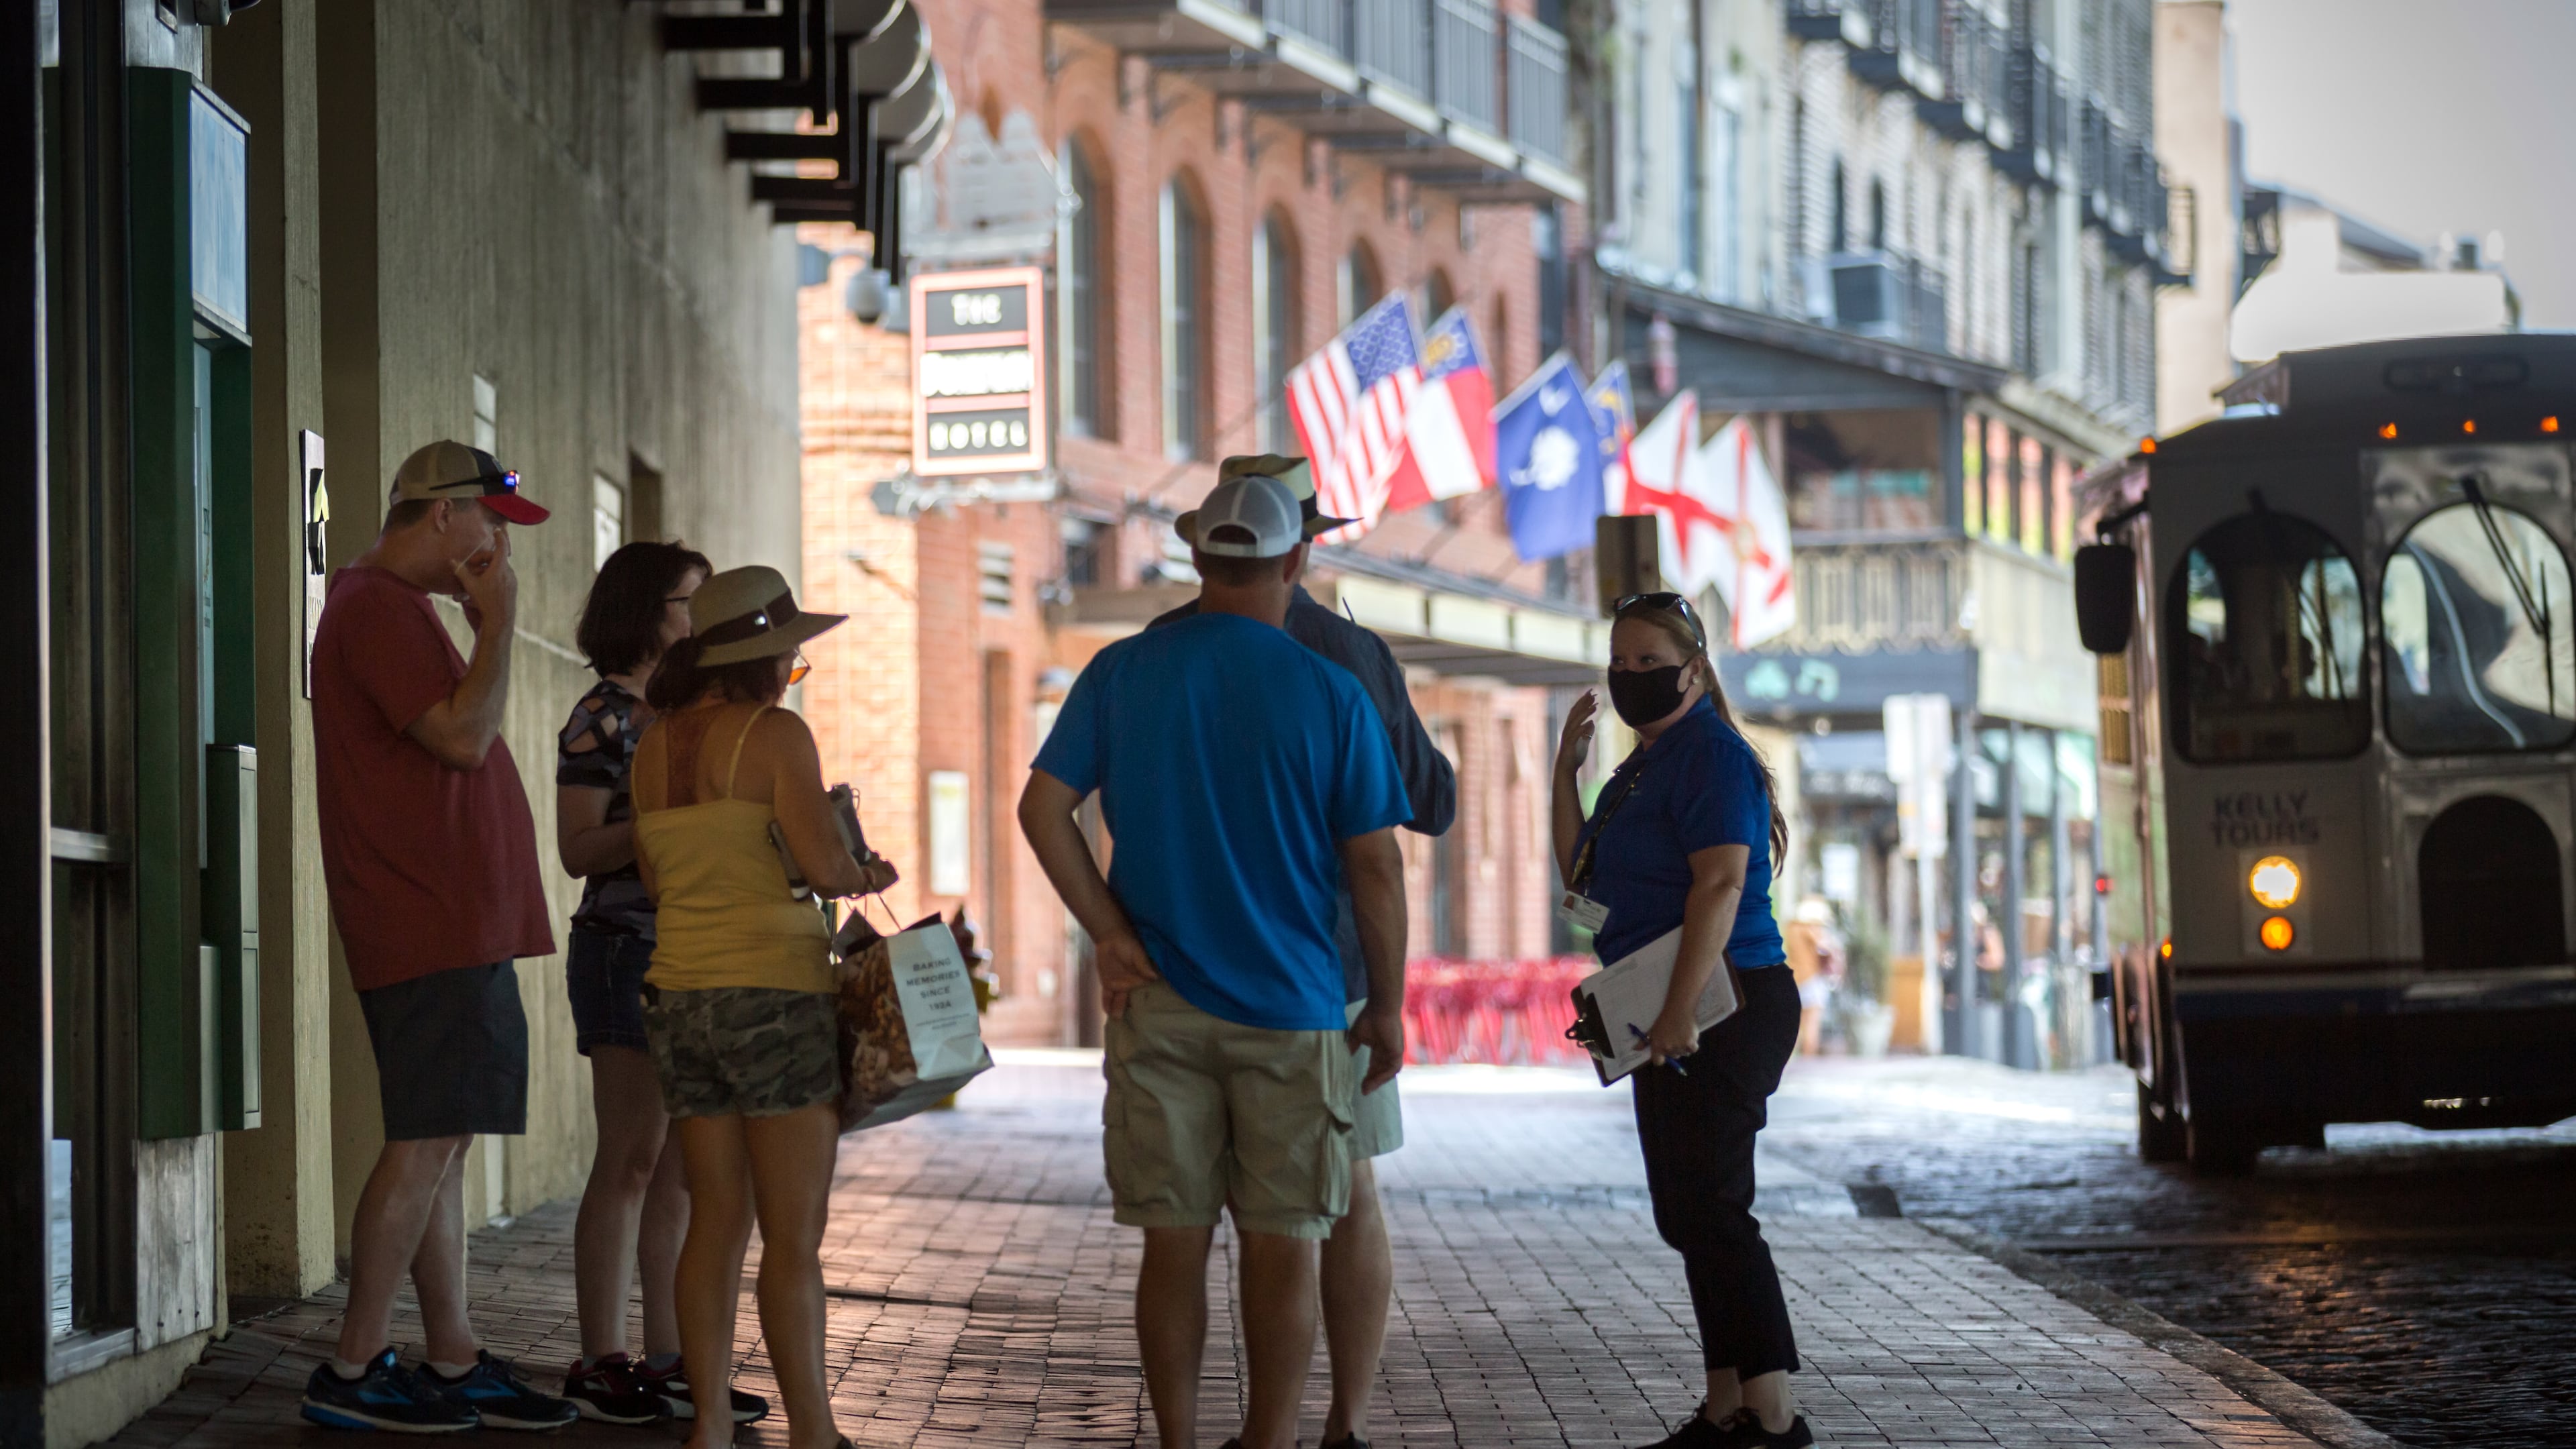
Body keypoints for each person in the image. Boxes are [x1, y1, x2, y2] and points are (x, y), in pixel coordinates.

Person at [1018, 471, 1413, 1449]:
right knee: (1286, 1245)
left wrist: (1108, 932)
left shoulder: (1121, 670)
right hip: (1296, 1012)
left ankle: (1181, 1441)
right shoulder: (1332, 691)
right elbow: (1377, 865)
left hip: (1161, 1005)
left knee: (1173, 1246)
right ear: (1295, 559)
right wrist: (1390, 1006)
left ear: (1197, 558)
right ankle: (1270, 1439)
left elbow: (1041, 810)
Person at [1145, 453, 1456, 1449]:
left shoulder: (1153, 648)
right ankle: (1341, 1424)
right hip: (1329, 977)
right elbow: (1427, 807)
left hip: (1179, 969)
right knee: (1345, 1190)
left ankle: (1202, 1433)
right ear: (1305, 545)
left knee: (1184, 1221)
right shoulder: (1349, 657)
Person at [301, 441, 578, 1432]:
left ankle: (452, 1357)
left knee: (443, 1142)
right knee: (424, 1142)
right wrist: (497, 626)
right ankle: (352, 1362)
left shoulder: (401, 609)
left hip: (453, 916)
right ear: (441, 514)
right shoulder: (375, 605)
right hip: (426, 915)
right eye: (492, 523)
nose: (500, 543)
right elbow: (464, 737)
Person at [631, 565, 893, 1449]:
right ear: (768, 654)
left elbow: (663, 873)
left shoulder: (652, 745)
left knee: (714, 1220)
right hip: (775, 998)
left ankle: (709, 1422)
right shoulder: (776, 735)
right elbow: (824, 872)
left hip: (681, 996)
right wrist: (864, 873)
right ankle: (813, 1431)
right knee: (792, 1237)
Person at [1550, 592, 1808, 1449]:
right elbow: (1583, 882)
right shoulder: (1642, 767)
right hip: (1669, 1000)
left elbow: (1722, 887)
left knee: (1716, 1208)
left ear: (1694, 669)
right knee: (1687, 1211)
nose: (1631, 679)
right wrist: (1565, 777)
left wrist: (1675, 1015)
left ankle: (1770, 1415)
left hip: (1725, 1001)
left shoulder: (1711, 757)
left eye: (1650, 664)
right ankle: (1726, 1405)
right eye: (1620, 664)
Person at [557, 540, 774, 1427]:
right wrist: (666, 816)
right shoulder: (603, 716)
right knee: (633, 1157)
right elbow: (578, 850)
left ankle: (675, 1357)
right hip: (624, 947)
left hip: (698, 949)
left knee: (688, 1168)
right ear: (648, 609)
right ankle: (602, 1360)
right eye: (690, 600)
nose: (700, 618)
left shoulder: (693, 715)